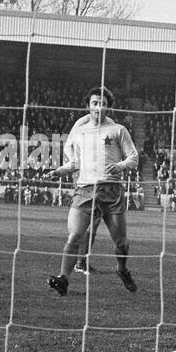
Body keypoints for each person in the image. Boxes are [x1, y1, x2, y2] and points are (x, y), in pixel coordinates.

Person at [47, 86, 139, 297]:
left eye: (103, 103)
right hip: (85, 190)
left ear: (109, 107)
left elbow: (134, 158)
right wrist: (59, 171)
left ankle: (122, 269)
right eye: (95, 103)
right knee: (74, 237)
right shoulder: (80, 132)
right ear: (88, 105)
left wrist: (120, 166)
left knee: (122, 243)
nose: (99, 107)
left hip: (111, 191)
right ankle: (64, 279)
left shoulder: (118, 130)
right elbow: (75, 163)